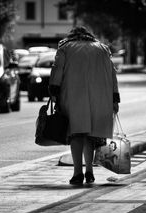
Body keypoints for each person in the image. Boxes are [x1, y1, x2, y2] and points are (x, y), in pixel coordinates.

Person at [49, 26, 120, 185]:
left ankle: (77, 173)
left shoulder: (65, 48)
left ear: (72, 36)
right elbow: (112, 74)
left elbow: (57, 70)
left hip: (74, 95)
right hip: (99, 97)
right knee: (91, 135)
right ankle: (89, 171)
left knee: (76, 133)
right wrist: (115, 98)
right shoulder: (102, 48)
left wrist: (54, 90)